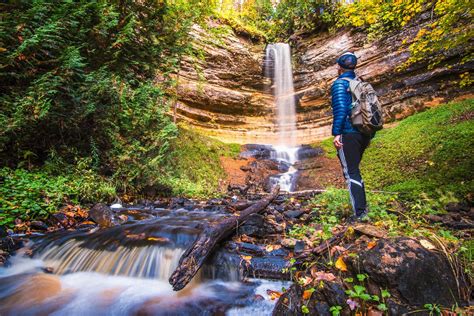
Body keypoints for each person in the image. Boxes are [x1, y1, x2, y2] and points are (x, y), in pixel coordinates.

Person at [331, 52, 372, 221]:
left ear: (339, 67)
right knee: (355, 170)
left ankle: (360, 213)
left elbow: (341, 110)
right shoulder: (359, 83)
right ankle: (363, 209)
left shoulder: (339, 84)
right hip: (364, 132)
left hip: (348, 133)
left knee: (351, 172)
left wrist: (337, 133)